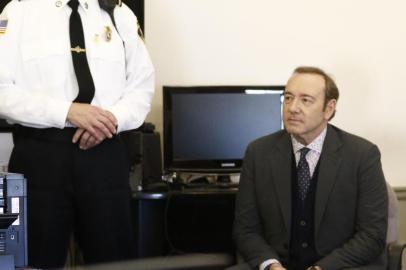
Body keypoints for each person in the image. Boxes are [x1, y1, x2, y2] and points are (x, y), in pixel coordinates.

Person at [0, 0, 154, 268]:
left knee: (115, 260)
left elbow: (142, 88)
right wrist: (67, 111)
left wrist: (109, 121)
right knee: (29, 261)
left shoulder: (119, 13)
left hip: (104, 154)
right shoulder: (18, 11)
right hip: (38, 156)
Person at [232, 66, 388, 270]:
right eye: (288, 98)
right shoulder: (258, 152)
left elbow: (372, 234)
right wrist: (271, 265)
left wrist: (320, 268)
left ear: (329, 109)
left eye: (305, 100)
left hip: (339, 266)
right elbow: (245, 229)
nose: (292, 107)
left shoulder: (362, 155)